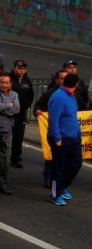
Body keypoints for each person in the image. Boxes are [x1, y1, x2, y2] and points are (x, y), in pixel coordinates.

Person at [47, 73, 83, 206]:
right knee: (58, 167)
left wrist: (78, 132)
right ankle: (55, 194)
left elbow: (73, 116)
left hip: (74, 137)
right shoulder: (59, 97)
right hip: (61, 138)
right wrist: (57, 138)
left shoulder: (71, 96)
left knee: (76, 164)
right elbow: (53, 119)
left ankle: (62, 187)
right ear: (76, 84)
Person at [8, 60, 34, 169]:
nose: (22, 71)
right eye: (19, 68)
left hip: (21, 114)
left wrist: (24, 106)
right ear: (14, 68)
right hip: (8, 114)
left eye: (23, 68)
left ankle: (15, 158)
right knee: (3, 136)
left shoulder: (27, 80)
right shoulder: (8, 79)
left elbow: (31, 96)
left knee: (18, 138)